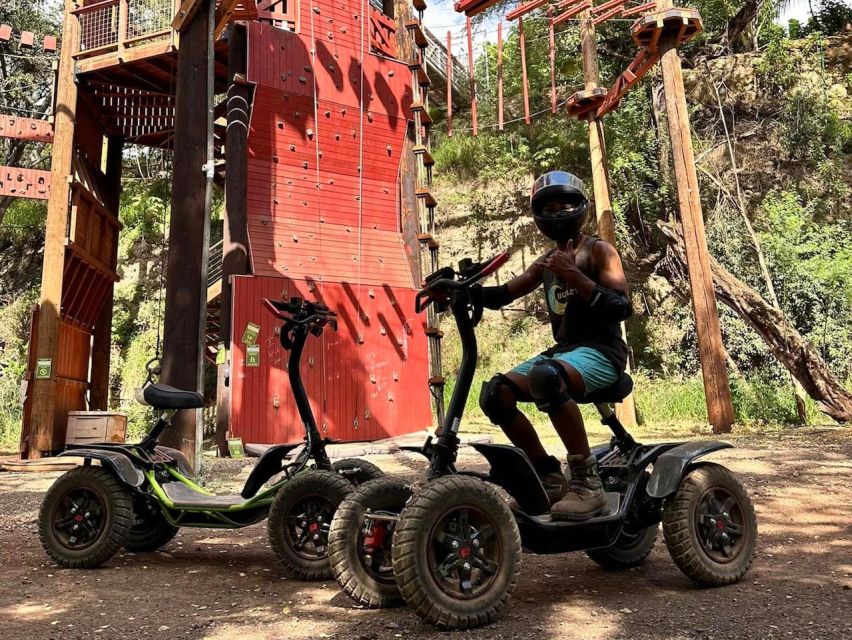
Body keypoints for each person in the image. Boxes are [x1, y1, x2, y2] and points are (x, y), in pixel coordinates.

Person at [474, 170, 632, 521]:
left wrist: (574, 274)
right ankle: (547, 477)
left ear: (580, 208)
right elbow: (503, 294)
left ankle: (587, 483)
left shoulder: (599, 252)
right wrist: (462, 291)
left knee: (547, 377)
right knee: (495, 393)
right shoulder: (544, 263)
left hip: (604, 352)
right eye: (550, 207)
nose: (559, 212)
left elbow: (623, 307)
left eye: (566, 205)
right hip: (565, 353)